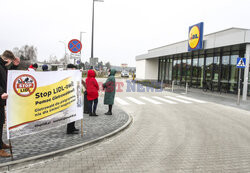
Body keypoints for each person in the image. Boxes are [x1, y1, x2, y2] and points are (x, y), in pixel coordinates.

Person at [0, 50, 20, 157]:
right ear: (6, 59)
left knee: (1, 121)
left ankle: (1, 144)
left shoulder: (2, 66)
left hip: (1, 101)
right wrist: (1, 92)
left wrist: (15, 66)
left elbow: (8, 77)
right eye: (10, 62)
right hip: (1, 97)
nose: (9, 64)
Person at [66, 64, 79, 134]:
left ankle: (73, 127)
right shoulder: (67, 76)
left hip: (73, 97)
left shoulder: (72, 76)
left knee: (74, 113)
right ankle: (69, 130)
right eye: (74, 69)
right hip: (69, 99)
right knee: (70, 114)